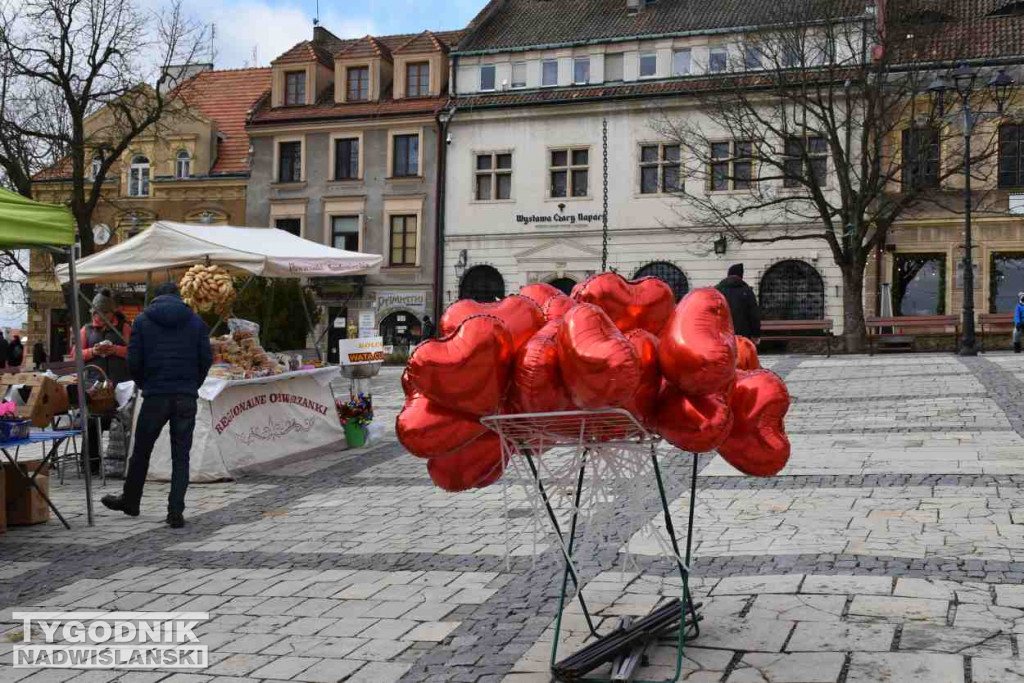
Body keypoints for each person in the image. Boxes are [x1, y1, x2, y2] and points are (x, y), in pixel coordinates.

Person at [102, 282, 212, 528]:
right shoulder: (195, 321)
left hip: (155, 394)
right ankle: (175, 511)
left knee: (141, 451)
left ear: (156, 298)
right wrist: (192, 384)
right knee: (181, 455)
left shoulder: (142, 321)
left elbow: (133, 359)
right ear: (177, 297)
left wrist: (145, 384)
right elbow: (206, 358)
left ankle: (131, 501)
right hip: (185, 395)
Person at [74, 289, 131, 474]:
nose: (98, 317)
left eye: (103, 313)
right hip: (94, 387)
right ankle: (90, 464)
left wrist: (115, 350)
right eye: (95, 313)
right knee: (91, 422)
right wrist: (93, 352)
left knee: (125, 421)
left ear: (111, 313)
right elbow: (76, 355)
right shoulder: (86, 330)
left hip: (121, 387)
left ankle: (126, 463)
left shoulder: (124, 327)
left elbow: (135, 352)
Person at [715, 263, 761, 342]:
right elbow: (754, 315)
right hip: (743, 334)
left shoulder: (717, 290)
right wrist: (756, 334)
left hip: (722, 334)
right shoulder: (747, 291)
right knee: (741, 353)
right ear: (741, 276)